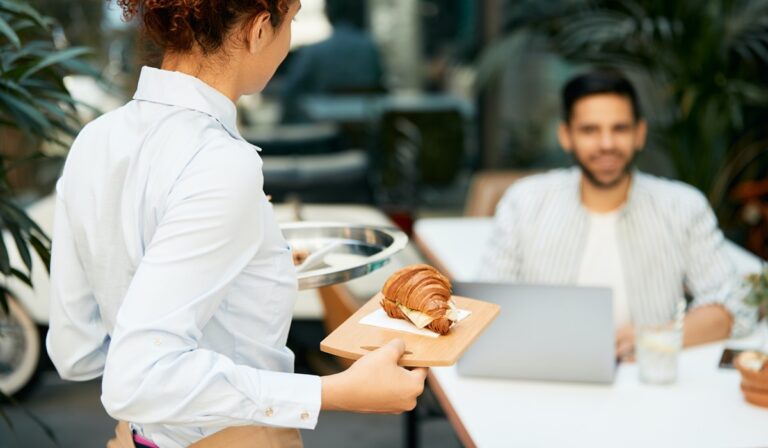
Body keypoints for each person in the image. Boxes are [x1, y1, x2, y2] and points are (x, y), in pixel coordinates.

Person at [45, 1, 426, 447]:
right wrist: (334, 392)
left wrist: (256, 270)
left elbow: (77, 352)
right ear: (260, 29)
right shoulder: (219, 162)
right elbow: (139, 375)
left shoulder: (96, 139)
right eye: (293, 19)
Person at [481, 71, 754, 360]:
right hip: (543, 373)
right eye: (590, 130)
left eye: (620, 128)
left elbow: (736, 307)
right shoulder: (524, 202)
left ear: (640, 133)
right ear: (566, 136)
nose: (607, 144)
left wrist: (655, 337)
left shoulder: (683, 207)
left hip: (648, 378)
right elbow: (484, 305)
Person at [280, 0, 385, 123]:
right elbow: (379, 85)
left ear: (329, 13)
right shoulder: (370, 48)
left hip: (322, 131)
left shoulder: (315, 52)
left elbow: (290, 90)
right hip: (364, 129)